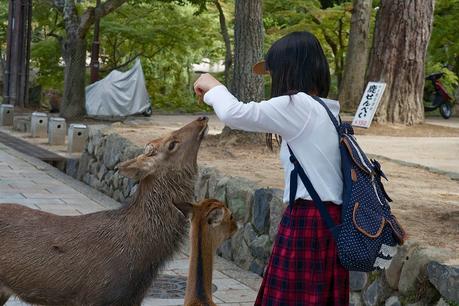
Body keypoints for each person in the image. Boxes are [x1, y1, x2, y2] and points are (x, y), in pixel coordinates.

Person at [194, 31, 349, 306]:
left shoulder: (299, 105)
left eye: (275, 71)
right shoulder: (326, 109)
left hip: (309, 219)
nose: (273, 79)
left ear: (289, 69)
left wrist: (211, 83)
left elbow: (235, 114)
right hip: (329, 219)